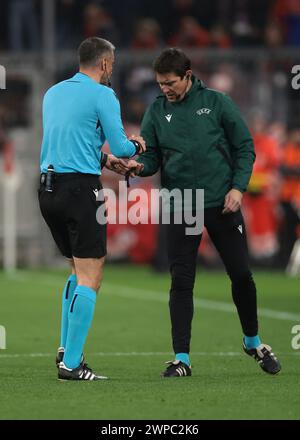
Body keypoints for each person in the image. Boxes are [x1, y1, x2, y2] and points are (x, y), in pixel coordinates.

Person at [120, 48, 281, 377]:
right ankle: (182, 358)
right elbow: (153, 161)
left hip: (221, 202)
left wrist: (238, 187)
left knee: (240, 275)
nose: (165, 88)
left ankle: (253, 341)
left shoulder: (218, 102)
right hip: (182, 205)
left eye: (170, 82)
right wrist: (138, 165)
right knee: (181, 281)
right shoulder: (156, 111)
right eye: (160, 83)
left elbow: (244, 147)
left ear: (188, 76)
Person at [38, 37, 146, 381]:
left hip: (47, 188)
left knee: (76, 269)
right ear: (103, 64)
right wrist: (136, 145)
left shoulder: (53, 93)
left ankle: (65, 350)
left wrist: (106, 161)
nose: (111, 69)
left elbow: (67, 140)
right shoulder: (103, 94)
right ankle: (72, 364)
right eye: (111, 64)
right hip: (81, 190)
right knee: (91, 276)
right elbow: (122, 144)